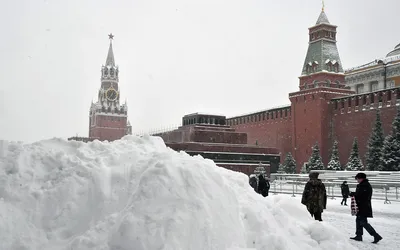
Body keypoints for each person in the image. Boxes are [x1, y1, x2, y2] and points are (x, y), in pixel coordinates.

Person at [350, 173, 382, 244]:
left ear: (361, 178)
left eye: (357, 179)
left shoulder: (364, 185)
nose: (357, 180)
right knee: (358, 221)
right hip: (362, 206)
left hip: (363, 207)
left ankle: (375, 235)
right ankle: (358, 235)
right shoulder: (363, 185)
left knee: (363, 222)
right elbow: (360, 194)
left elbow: (360, 195)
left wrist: (353, 194)